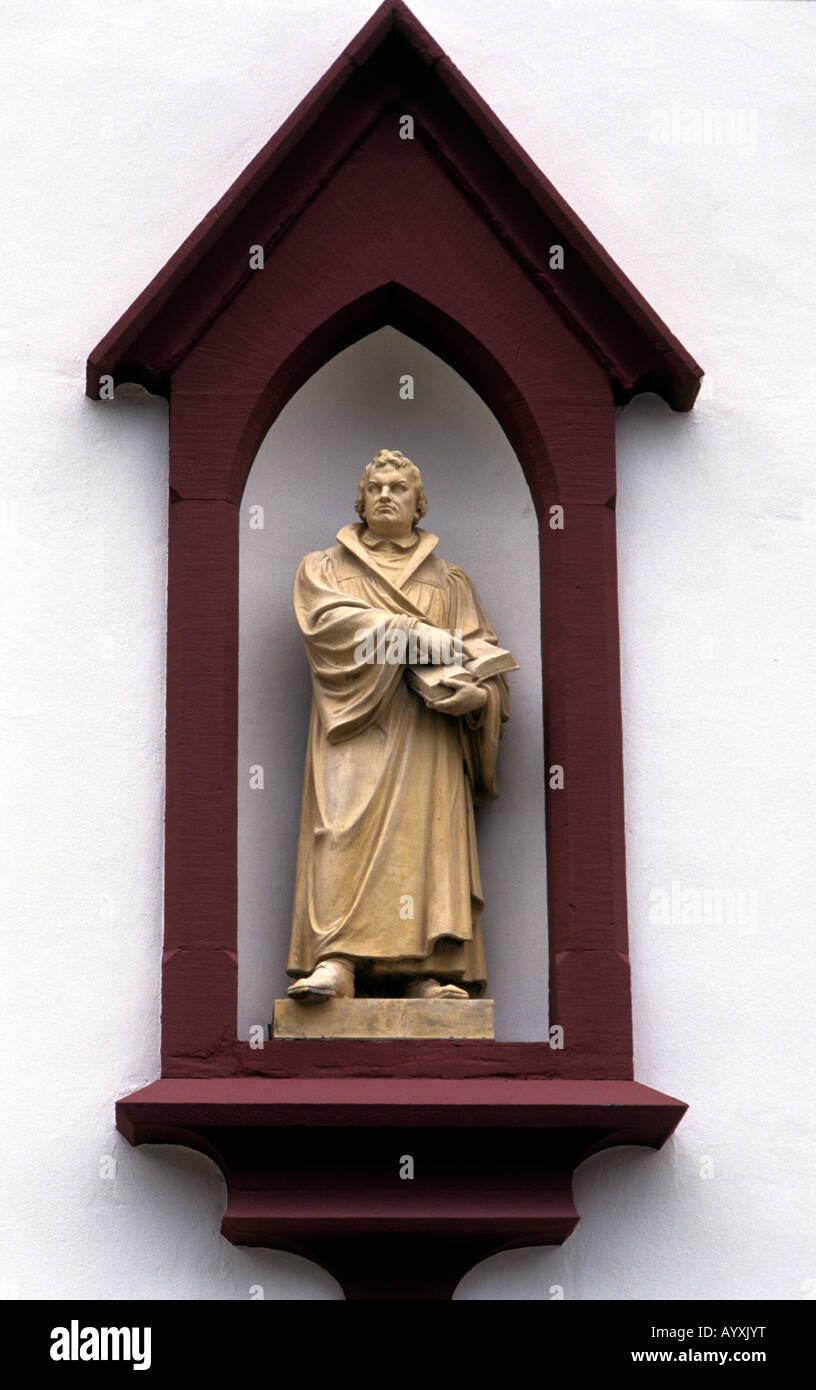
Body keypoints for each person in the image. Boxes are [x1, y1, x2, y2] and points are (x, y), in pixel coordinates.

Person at [286, 449, 510, 1001]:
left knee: (425, 841)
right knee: (340, 828)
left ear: (419, 505)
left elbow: (482, 651)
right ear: (360, 501)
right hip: (355, 724)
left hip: (428, 732)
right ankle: (336, 960)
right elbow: (328, 627)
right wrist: (412, 633)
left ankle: (424, 972)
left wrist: (478, 696)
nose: (386, 494)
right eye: (376, 487)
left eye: (399, 488)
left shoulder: (449, 580)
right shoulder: (325, 568)